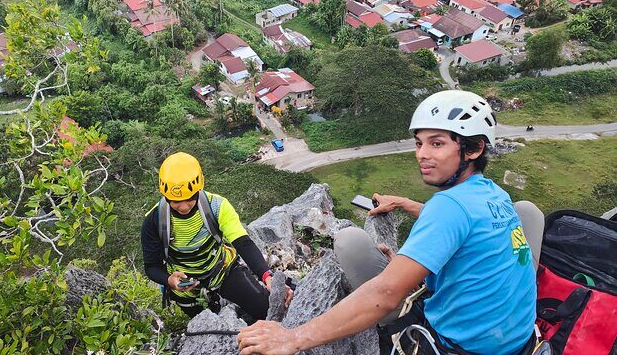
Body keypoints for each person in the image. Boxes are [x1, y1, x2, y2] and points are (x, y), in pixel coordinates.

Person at [237, 90, 538, 354]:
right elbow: (467, 227)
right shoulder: (494, 195)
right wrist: (407, 205)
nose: (422, 155)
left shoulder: (448, 206)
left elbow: (384, 293)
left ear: (473, 149)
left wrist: (292, 337)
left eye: (437, 144)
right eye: (419, 143)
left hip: (460, 347)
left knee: (349, 241)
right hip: (516, 341)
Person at [141, 152, 292, 319]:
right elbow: (152, 266)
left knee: (267, 312)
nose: (183, 207)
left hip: (222, 271)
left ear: (199, 187)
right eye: (175, 201)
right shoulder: (154, 220)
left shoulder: (217, 207)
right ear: (165, 194)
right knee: (210, 330)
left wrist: (266, 276)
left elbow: (243, 243)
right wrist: (169, 280)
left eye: (190, 198)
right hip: (186, 289)